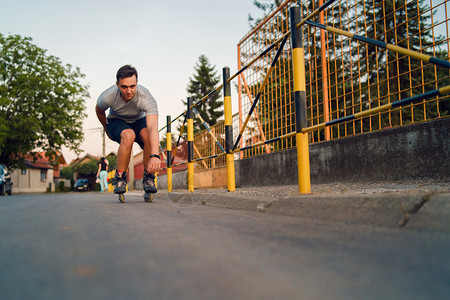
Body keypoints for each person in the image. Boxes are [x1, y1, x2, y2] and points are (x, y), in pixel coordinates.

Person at [95, 65, 160, 198]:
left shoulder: (146, 97)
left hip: (139, 120)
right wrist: (106, 129)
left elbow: (153, 127)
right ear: (117, 84)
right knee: (128, 135)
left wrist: (155, 155)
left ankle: (148, 178)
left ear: (137, 83)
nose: (129, 91)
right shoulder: (108, 96)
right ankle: (120, 178)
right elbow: (99, 111)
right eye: (124, 87)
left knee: (147, 135)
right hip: (116, 120)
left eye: (132, 86)